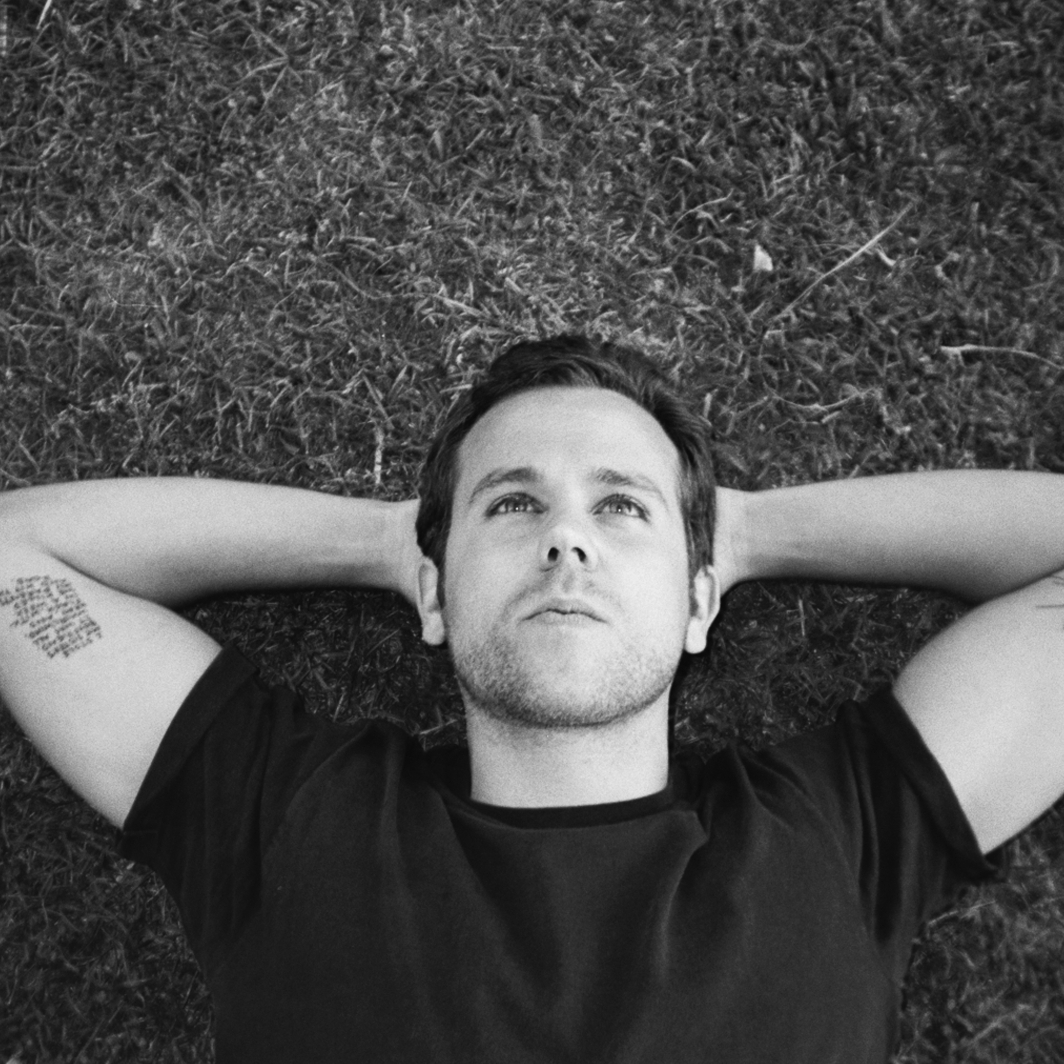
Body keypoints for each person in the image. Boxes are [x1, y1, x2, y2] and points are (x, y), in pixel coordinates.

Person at [1, 335, 1062, 1062]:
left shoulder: (842, 832)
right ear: (433, 591)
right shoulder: (284, 814)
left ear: (699, 603)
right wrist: (391, 543)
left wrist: (740, 533)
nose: (566, 538)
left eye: (620, 507)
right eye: (512, 503)